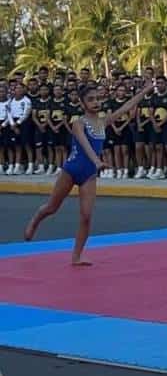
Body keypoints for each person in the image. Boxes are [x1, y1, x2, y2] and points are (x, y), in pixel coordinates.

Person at [23, 80, 155, 265]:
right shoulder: (79, 123)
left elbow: (127, 106)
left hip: (89, 174)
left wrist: (145, 91)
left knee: (86, 216)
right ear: (83, 104)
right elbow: (85, 145)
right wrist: (97, 161)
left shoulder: (103, 121)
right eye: (91, 100)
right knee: (52, 207)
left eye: (97, 99)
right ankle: (36, 220)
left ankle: (76, 256)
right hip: (71, 170)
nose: (96, 102)